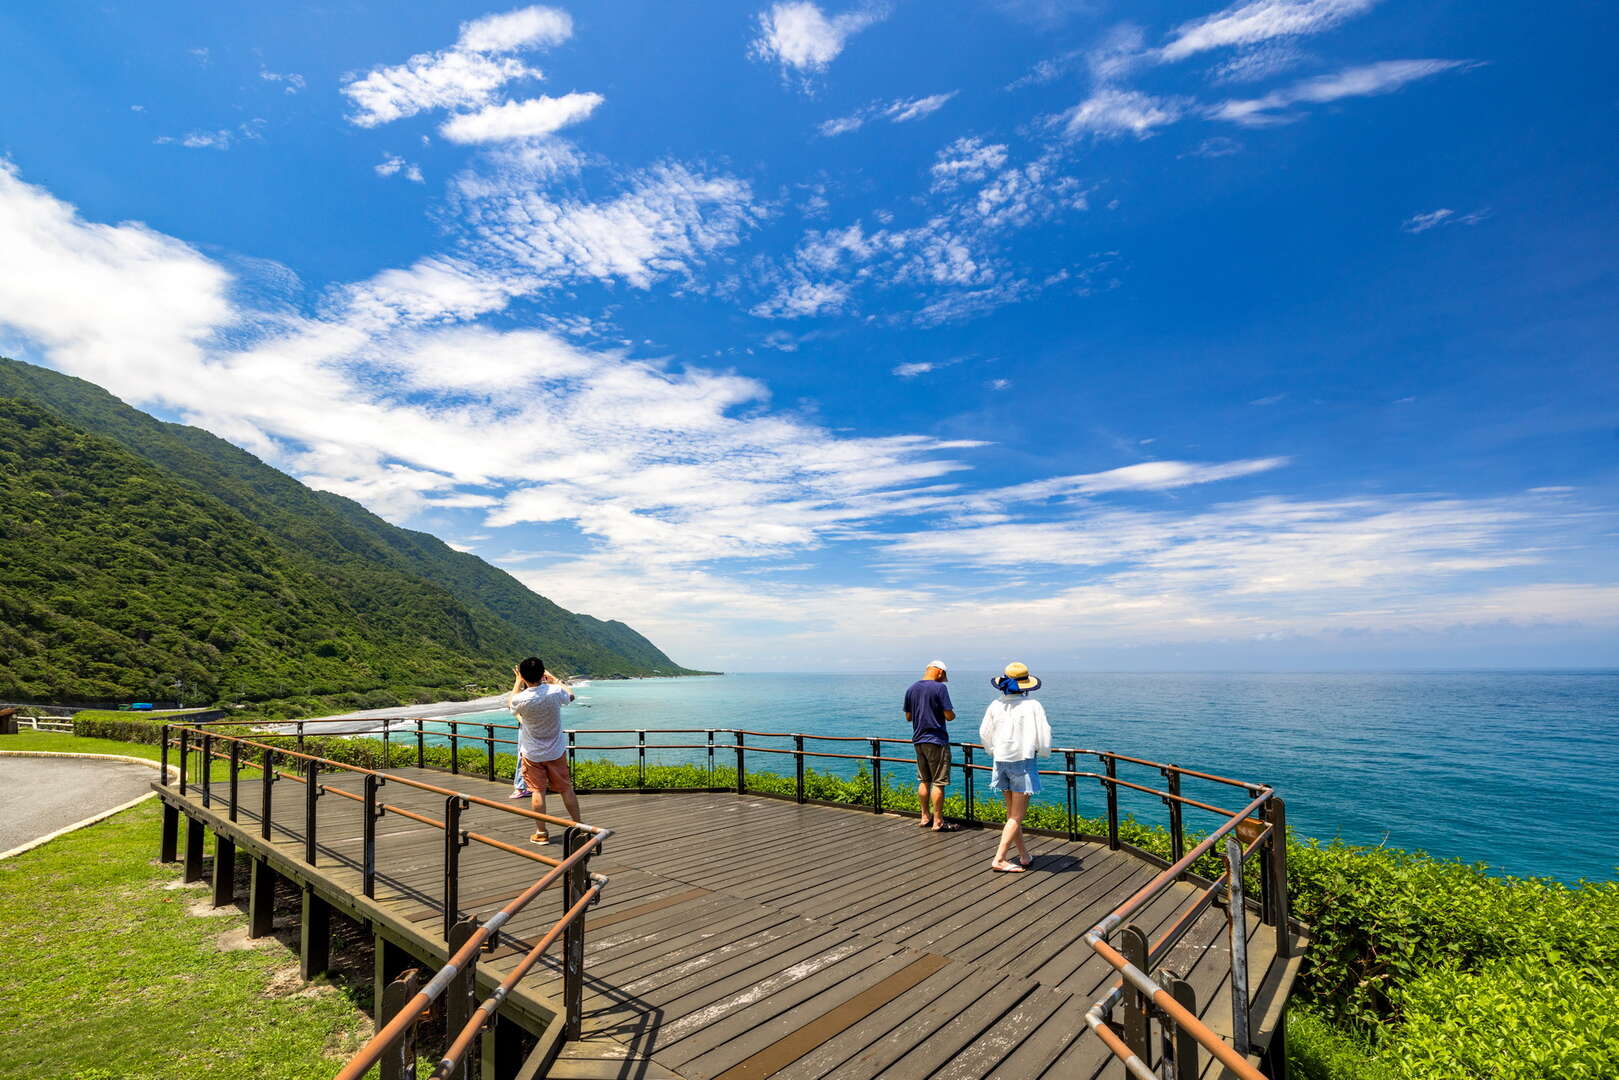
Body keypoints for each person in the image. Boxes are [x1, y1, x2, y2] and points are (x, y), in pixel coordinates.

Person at [979, 662, 1052, 872]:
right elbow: (1044, 735)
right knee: (1017, 816)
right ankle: (999, 859)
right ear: (1026, 684)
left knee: (1011, 814)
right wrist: (1044, 751)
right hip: (1023, 761)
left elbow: (984, 733)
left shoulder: (995, 705)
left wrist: (992, 749)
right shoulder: (1033, 706)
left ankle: (1024, 855)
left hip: (1000, 761)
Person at [508, 656, 580, 843]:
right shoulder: (555, 692)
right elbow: (570, 695)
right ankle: (579, 826)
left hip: (532, 753)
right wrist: (555, 679)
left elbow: (511, 704)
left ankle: (541, 833)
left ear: (523, 676)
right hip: (556, 751)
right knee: (566, 789)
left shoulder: (521, 699)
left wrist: (517, 682)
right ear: (543, 673)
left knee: (537, 791)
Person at [903, 660, 958, 832]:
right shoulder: (940, 688)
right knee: (939, 783)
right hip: (937, 740)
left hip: (918, 740)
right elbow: (949, 716)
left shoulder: (911, 688)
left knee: (924, 780)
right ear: (940, 672)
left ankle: (925, 816)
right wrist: (949, 714)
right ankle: (938, 820)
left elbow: (908, 717)